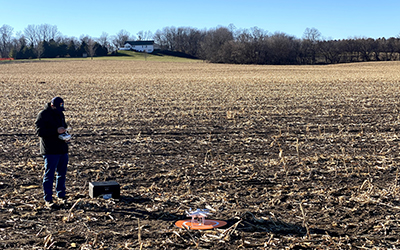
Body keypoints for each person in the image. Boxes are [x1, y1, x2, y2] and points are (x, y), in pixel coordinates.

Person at [35, 97, 70, 206]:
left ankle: (61, 196)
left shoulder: (60, 113)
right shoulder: (43, 115)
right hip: (50, 150)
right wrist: (56, 131)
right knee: (49, 175)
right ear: (52, 105)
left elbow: (63, 125)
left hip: (62, 148)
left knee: (62, 174)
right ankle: (48, 199)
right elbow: (40, 132)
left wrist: (64, 131)